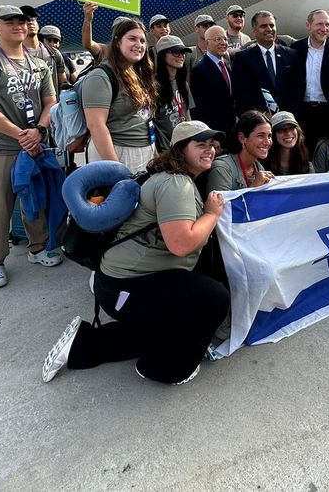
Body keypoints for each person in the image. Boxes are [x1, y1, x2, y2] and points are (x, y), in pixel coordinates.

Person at [41, 121, 230, 386]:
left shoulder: (168, 177)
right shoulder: (177, 184)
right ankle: (167, 369)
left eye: (212, 144)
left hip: (118, 286)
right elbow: (181, 244)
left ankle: (81, 345)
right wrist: (212, 214)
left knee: (163, 330)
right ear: (180, 149)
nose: (209, 149)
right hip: (127, 289)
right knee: (214, 299)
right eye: (200, 144)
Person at [0, 5, 59, 290]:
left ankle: (38, 247)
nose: (18, 25)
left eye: (22, 21)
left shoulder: (39, 64)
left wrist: (40, 131)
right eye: (10, 22)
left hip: (34, 144)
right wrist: (23, 135)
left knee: (36, 199)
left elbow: (50, 102)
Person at [82, 18, 157, 174]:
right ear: (117, 42)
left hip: (144, 151)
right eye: (132, 39)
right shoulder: (100, 76)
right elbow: (96, 126)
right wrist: (116, 169)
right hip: (117, 153)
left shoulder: (136, 73)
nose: (139, 45)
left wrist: (153, 153)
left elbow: (142, 118)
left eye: (142, 41)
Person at [293, 9, 329, 149]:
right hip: (302, 111)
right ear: (308, 26)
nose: (324, 29)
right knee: (303, 151)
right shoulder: (296, 48)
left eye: (327, 24)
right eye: (319, 24)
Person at [231, 10, 297, 116]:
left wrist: (289, 116)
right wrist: (262, 115)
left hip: (288, 120)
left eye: (272, 25)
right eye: (263, 26)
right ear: (254, 31)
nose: (269, 29)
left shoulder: (291, 55)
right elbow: (241, 94)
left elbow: (297, 89)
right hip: (259, 122)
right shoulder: (243, 58)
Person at [205, 110, 275, 192]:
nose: (267, 142)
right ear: (242, 138)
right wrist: (254, 188)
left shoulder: (259, 168)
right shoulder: (222, 167)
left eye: (269, 136)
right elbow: (221, 204)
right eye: (261, 136)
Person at [189, 25, 236, 137]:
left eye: (225, 39)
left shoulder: (227, 65)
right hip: (214, 132)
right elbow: (200, 109)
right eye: (217, 39)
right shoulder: (199, 70)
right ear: (207, 43)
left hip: (232, 129)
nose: (223, 42)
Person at [152, 35, 192, 150]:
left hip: (184, 146)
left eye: (183, 52)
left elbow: (187, 114)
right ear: (163, 56)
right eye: (176, 52)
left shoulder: (183, 84)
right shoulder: (153, 86)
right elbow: (149, 122)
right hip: (165, 150)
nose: (181, 56)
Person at [20, 5, 68, 93]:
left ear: (38, 26)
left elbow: (63, 82)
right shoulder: (14, 54)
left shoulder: (54, 53)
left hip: (53, 104)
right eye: (25, 20)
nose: (30, 22)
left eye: (33, 20)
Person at [265, 110, 311, 175]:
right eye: (281, 129)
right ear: (272, 135)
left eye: (292, 127)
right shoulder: (261, 166)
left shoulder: (307, 166)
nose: (288, 133)